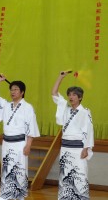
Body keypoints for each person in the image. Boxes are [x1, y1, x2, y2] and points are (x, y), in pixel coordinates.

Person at [0, 75, 40, 200]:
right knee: (6, 168)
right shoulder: (6, 105)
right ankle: (6, 195)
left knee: (19, 170)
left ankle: (19, 197)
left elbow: (31, 127)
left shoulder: (28, 107)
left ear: (22, 92)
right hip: (7, 143)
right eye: (11, 89)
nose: (12, 92)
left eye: (15, 89)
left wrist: (28, 145)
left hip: (20, 143)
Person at [52, 71, 94, 199]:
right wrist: (60, 77)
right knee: (65, 174)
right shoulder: (65, 109)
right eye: (69, 94)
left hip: (78, 148)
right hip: (65, 147)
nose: (71, 97)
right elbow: (54, 93)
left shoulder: (85, 112)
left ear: (80, 97)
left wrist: (86, 148)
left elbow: (89, 130)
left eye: (74, 95)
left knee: (80, 175)